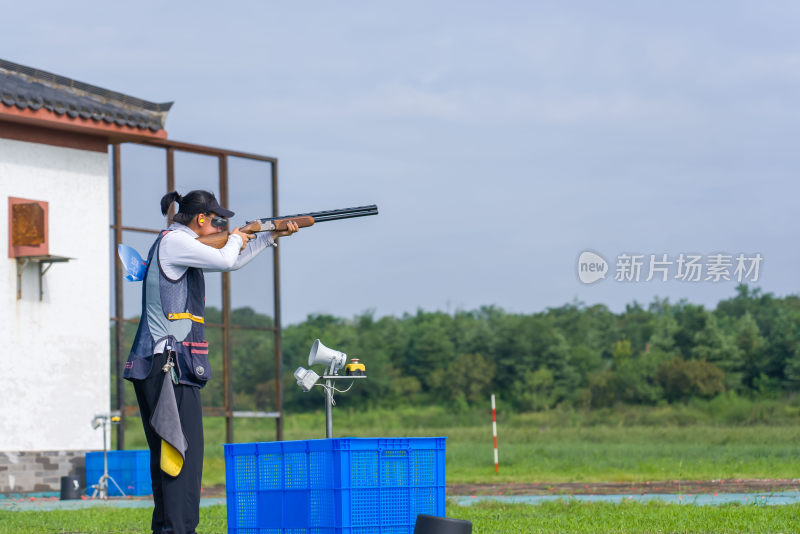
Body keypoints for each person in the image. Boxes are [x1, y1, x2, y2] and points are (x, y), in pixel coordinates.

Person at [123, 190, 298, 534]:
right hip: (168, 367)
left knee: (174, 456)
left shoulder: (178, 244)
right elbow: (226, 259)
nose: (221, 225)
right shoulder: (174, 242)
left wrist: (268, 235)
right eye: (218, 220)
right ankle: (178, 529)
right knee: (180, 455)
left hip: (167, 366)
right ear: (200, 219)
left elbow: (232, 258)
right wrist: (239, 236)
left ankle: (172, 529)